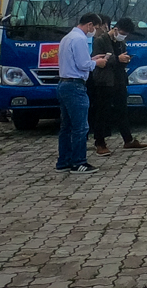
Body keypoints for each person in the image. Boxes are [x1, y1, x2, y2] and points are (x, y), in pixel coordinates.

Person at [55, 13, 108, 175]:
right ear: (90, 25)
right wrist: (97, 63)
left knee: (66, 126)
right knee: (80, 126)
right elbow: (83, 64)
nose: (94, 31)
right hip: (75, 86)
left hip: (63, 83)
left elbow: (76, 60)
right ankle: (79, 162)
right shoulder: (80, 40)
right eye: (96, 28)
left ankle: (64, 161)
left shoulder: (67, 38)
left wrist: (92, 58)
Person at [90, 17, 147, 156]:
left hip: (119, 80)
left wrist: (125, 60)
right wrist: (117, 59)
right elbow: (98, 60)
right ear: (115, 29)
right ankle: (100, 142)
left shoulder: (121, 41)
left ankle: (128, 140)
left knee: (122, 110)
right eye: (122, 32)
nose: (123, 36)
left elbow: (121, 57)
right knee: (102, 112)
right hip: (105, 81)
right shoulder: (100, 40)